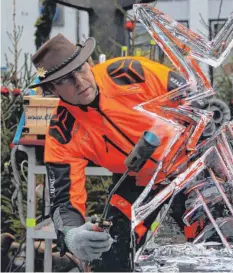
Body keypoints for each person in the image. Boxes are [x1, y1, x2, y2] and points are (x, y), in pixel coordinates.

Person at [30, 34, 202, 271]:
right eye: (66, 80)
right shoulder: (62, 131)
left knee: (209, 247)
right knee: (108, 254)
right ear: (51, 88)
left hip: (189, 169)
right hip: (133, 180)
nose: (80, 81)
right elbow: (64, 199)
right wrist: (71, 236)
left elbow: (193, 97)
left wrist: (194, 141)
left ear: (88, 63)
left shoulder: (128, 73)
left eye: (81, 69)